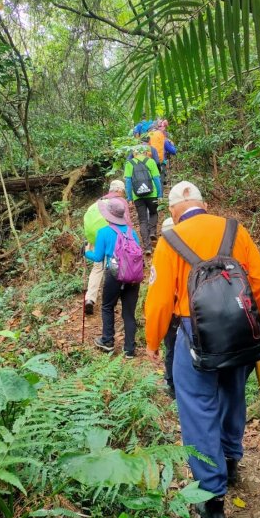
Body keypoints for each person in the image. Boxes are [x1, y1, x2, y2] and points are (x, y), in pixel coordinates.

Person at [144, 181, 260, 518]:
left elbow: (158, 301)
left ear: (173, 211)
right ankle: (231, 460)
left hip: (194, 335)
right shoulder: (234, 229)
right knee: (233, 394)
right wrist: (248, 318)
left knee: (198, 408)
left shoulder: (169, 242)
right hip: (240, 330)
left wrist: (153, 341)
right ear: (204, 203)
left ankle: (213, 501)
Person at [85, 198, 141, 358]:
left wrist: (85, 252)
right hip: (133, 277)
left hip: (114, 275)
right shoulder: (132, 232)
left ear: (108, 215)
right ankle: (130, 350)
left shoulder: (104, 232)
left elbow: (97, 257)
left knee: (107, 307)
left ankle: (107, 341)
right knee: (129, 313)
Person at [83, 180, 132, 315]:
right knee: (114, 265)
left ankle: (90, 299)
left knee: (97, 266)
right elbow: (126, 221)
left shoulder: (100, 201)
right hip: (113, 237)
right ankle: (112, 297)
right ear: (121, 190)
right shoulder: (121, 202)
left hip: (95, 236)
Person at [124, 145, 162, 256]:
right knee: (154, 212)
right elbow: (156, 179)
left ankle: (147, 247)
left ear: (134, 153)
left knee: (142, 220)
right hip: (152, 194)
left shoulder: (129, 164)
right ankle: (152, 232)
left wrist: (129, 198)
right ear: (145, 152)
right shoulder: (150, 161)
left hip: (137, 196)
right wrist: (159, 194)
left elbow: (128, 182)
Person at [161, 217, 179, 399]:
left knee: (171, 346)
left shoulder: (165, 253)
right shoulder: (192, 247)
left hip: (174, 309)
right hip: (195, 310)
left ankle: (171, 383)